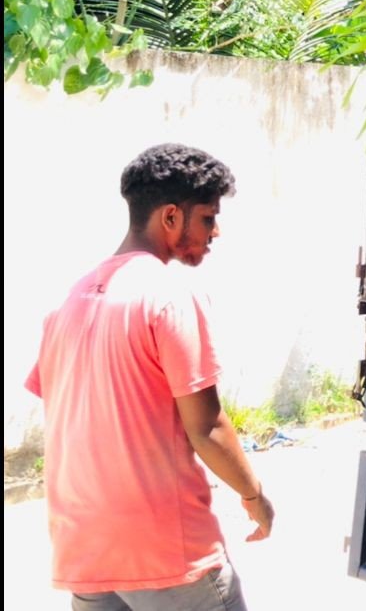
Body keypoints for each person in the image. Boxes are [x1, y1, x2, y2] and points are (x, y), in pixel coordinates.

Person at [26, 143, 272, 611]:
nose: (215, 231)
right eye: (207, 217)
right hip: (164, 552)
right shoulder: (168, 296)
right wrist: (253, 495)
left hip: (84, 548)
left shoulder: (66, 302)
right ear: (171, 218)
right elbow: (208, 427)